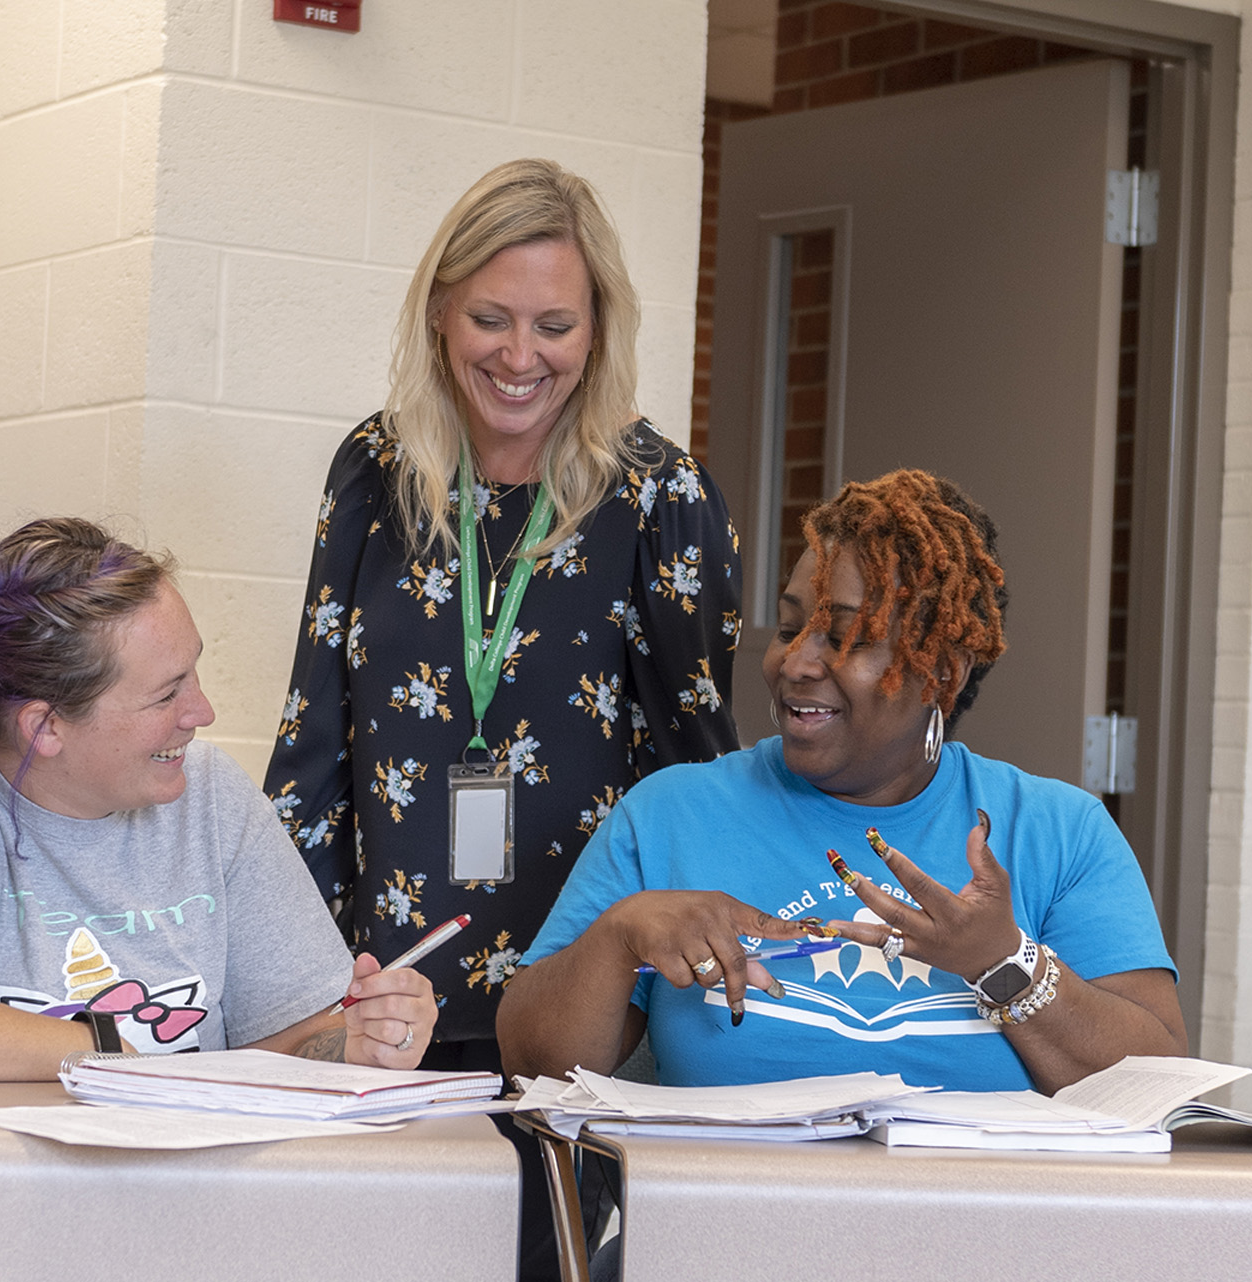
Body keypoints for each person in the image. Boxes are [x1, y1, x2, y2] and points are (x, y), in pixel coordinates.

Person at [263, 158, 741, 1276]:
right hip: (388, 1007)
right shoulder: (373, 471)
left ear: (599, 328)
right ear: (439, 310)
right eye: (490, 317)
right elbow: (313, 747)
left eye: (554, 325)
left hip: (577, 1016)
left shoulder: (661, 499)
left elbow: (696, 773)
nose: (520, 357)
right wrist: (298, 998)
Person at [498, 470, 1189, 1098]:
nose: (796, 663)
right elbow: (530, 1064)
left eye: (846, 639)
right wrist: (619, 937)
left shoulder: (1056, 830)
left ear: (941, 672)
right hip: (727, 1224)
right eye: (792, 627)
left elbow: (1154, 1087)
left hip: (977, 1230)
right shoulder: (670, 816)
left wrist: (1002, 962)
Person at [0, 516, 435, 1080]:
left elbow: (285, 1042)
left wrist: (360, 1041)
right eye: (166, 694)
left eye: (194, 673)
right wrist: (104, 1052)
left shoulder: (210, 797)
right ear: (45, 727)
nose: (202, 712)